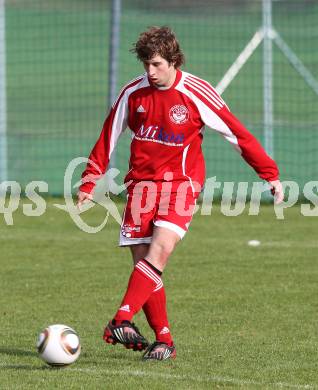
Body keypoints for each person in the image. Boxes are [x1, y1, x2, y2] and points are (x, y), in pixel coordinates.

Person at [77, 26, 283, 361]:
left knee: (158, 253)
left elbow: (238, 134)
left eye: (156, 64)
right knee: (146, 265)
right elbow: (108, 135)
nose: (150, 71)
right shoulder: (134, 93)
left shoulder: (196, 92)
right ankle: (164, 340)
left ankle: (121, 318)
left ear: (173, 60)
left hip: (180, 186)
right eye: (146, 64)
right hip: (141, 187)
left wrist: (269, 174)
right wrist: (90, 180)